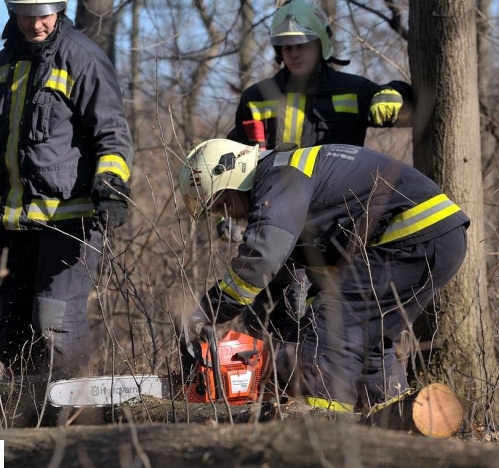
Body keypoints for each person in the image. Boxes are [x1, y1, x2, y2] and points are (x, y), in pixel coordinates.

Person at [180, 139, 469, 412]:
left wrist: (210, 309)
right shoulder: (287, 183)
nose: (226, 216)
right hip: (427, 237)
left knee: (330, 329)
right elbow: (320, 274)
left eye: (222, 204)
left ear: (231, 176)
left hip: (414, 234)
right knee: (368, 345)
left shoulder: (278, 174)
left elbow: (263, 256)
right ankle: (396, 428)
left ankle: (321, 438)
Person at [0, 0, 133, 379]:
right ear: (11, 8)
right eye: (25, 13)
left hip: (67, 222)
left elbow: (112, 133)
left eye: (45, 12)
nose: (36, 22)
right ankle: (30, 405)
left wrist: (111, 186)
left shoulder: (83, 58)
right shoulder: (2, 65)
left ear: (61, 6)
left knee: (55, 323)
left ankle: (70, 420)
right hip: (11, 221)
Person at [222, 0, 414, 344]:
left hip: (336, 228)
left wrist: (394, 96)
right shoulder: (258, 96)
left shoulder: (352, 90)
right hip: (273, 225)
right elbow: (237, 160)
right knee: (266, 321)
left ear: (322, 43)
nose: (293, 52)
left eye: (301, 44)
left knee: (328, 321)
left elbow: (406, 103)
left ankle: (317, 388)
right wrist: (228, 209)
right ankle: (273, 394)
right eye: (285, 46)